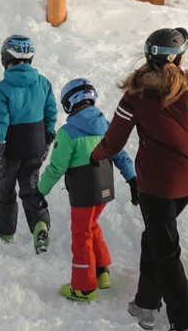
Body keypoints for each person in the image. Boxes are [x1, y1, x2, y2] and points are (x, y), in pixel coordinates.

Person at [95, 26, 188, 331]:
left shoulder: (136, 95)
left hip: (155, 186)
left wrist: (93, 155)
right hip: (187, 183)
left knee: (165, 250)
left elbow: (113, 141)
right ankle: (146, 304)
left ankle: (186, 323)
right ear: (177, 57)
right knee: (154, 238)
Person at [39, 78, 134, 300]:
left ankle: (84, 287)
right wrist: (132, 179)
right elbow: (120, 155)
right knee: (91, 226)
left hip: (83, 191)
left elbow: (56, 167)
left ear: (69, 104)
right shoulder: (107, 126)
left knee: (81, 234)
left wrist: (40, 190)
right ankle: (102, 271)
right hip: (104, 189)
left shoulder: (68, 132)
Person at [0, 34, 56, 253]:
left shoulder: (2, 88)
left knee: (6, 187)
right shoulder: (44, 82)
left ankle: (4, 232)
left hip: (12, 147)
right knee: (30, 187)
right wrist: (48, 137)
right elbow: (50, 113)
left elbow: (1, 122)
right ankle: (40, 225)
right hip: (35, 144)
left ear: (6, 57)